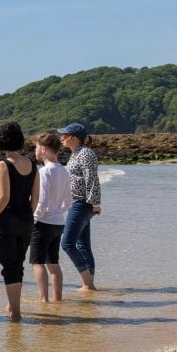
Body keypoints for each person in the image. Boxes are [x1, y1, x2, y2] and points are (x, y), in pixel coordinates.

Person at [0, 121, 40, 322]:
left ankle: (16, 312)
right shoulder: (32, 164)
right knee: (17, 265)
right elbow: (35, 198)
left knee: (8, 266)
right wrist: (27, 216)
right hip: (26, 219)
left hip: (6, 219)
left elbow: (4, 197)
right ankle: (12, 304)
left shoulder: (3, 164)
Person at [58, 122, 101, 291]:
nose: (61, 138)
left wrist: (95, 203)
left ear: (73, 138)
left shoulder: (85, 153)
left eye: (64, 135)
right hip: (76, 202)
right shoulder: (76, 153)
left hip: (83, 203)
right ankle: (88, 282)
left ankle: (88, 284)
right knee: (83, 245)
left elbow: (92, 178)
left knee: (67, 243)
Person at [30, 133, 72, 302]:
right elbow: (68, 199)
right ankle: (57, 298)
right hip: (58, 223)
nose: (35, 151)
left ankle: (43, 299)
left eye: (36, 148)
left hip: (44, 222)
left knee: (37, 262)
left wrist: (34, 218)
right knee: (53, 263)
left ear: (43, 149)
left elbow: (43, 200)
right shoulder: (64, 170)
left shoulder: (45, 171)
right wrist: (58, 212)